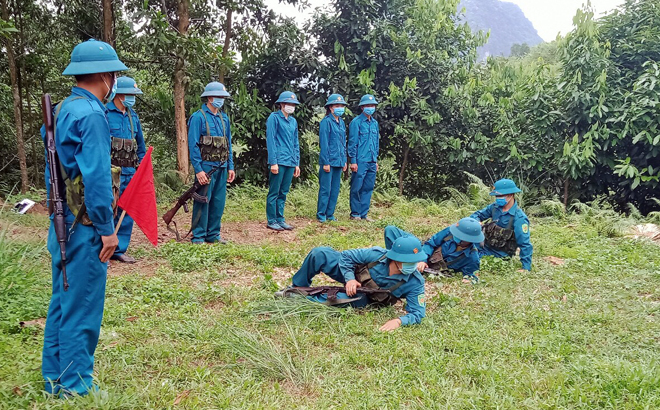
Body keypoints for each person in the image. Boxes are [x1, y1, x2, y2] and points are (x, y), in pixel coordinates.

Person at [41, 39, 126, 397]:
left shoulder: (65, 109)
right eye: (114, 75)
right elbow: (97, 181)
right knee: (83, 308)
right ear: (105, 75)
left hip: (62, 223)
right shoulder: (91, 115)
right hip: (84, 228)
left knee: (62, 303)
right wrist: (108, 231)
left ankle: (54, 379)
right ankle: (75, 387)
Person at [279, 235, 428, 332]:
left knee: (340, 300)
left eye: (415, 261)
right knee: (320, 253)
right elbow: (346, 256)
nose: (413, 265)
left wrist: (399, 321)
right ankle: (297, 286)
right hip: (354, 278)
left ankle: (296, 297)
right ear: (395, 258)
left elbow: (418, 313)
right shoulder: (378, 255)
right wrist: (350, 278)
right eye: (409, 261)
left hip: (366, 297)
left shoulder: (415, 282)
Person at [187, 82, 236, 244]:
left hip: (221, 167)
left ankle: (213, 234)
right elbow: (193, 146)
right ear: (209, 97)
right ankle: (199, 235)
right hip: (206, 168)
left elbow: (228, 143)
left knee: (218, 202)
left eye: (222, 97)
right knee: (202, 201)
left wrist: (230, 166)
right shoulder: (198, 117)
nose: (220, 100)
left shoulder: (224, 119)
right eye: (218, 97)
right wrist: (198, 170)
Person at [107, 76, 146, 263]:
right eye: (130, 94)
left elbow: (140, 145)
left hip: (130, 172)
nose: (132, 98)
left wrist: (142, 165)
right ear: (119, 94)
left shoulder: (133, 117)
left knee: (126, 211)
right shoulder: (105, 113)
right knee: (108, 209)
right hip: (111, 172)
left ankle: (119, 249)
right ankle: (104, 247)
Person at [384, 218, 484, 283]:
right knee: (391, 230)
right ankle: (393, 261)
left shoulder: (472, 257)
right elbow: (431, 243)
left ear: (468, 239)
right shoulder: (450, 232)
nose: (455, 235)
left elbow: (472, 275)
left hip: (431, 269)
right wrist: (422, 260)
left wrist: (469, 280)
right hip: (421, 253)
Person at [470, 178, 533, 272]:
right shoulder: (495, 207)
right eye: (496, 196)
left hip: (500, 254)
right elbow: (477, 214)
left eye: (501, 196)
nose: (498, 198)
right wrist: (477, 221)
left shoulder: (519, 218)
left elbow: (525, 244)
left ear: (510, 195)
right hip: (485, 245)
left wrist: (526, 268)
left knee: (468, 259)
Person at [265, 91, 301, 231]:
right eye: (289, 103)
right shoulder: (274, 118)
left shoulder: (293, 121)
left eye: (293, 104)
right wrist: (273, 162)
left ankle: (280, 218)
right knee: (274, 191)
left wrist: (297, 163)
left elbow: (295, 142)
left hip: (290, 161)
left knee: (283, 192)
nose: (291, 106)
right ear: (281, 104)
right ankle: (272, 220)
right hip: (278, 161)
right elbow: (271, 140)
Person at [317, 94, 348, 222]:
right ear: (330, 108)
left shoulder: (341, 123)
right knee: (325, 189)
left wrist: (344, 160)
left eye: (341, 106)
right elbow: (324, 143)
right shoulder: (326, 122)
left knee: (335, 189)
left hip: (339, 161)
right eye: (337, 106)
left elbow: (343, 142)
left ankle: (330, 214)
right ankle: (321, 214)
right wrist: (325, 162)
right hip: (329, 161)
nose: (340, 108)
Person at [348, 94, 380, 221]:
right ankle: (355, 213)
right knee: (357, 187)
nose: (370, 108)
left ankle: (364, 214)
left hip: (371, 160)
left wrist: (376, 160)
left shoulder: (374, 123)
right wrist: (353, 161)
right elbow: (352, 143)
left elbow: (376, 143)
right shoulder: (356, 122)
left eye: (372, 105)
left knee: (368, 187)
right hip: (360, 160)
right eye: (367, 105)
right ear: (362, 107)